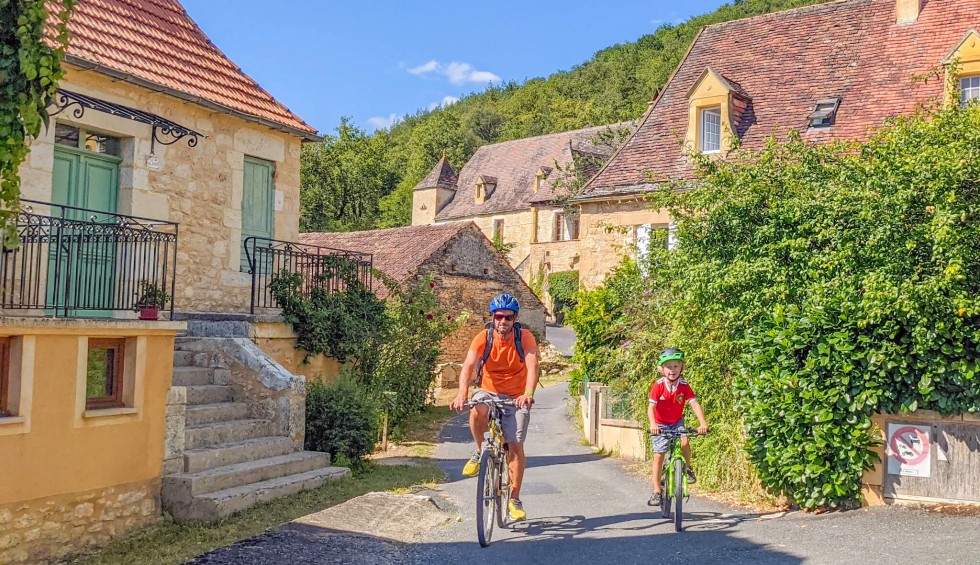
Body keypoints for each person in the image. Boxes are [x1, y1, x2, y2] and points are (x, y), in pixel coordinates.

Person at [450, 293, 538, 521]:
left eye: (508, 317)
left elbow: (532, 366)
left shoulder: (525, 337)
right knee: (477, 408)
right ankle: (480, 452)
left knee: (515, 445)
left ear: (515, 319)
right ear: (492, 317)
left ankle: (515, 499)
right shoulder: (483, 337)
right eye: (499, 316)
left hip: (516, 396)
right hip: (488, 390)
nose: (503, 321)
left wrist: (528, 394)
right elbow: (468, 366)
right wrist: (462, 393)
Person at [647, 347, 708, 506]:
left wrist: (703, 423)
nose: (672, 370)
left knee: (685, 442)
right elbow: (651, 408)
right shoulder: (658, 385)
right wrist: (653, 425)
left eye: (676, 366)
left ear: (682, 367)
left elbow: (694, 404)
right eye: (668, 366)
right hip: (660, 425)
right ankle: (656, 491)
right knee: (659, 455)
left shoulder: (684, 385)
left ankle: (687, 469)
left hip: (676, 422)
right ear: (662, 369)